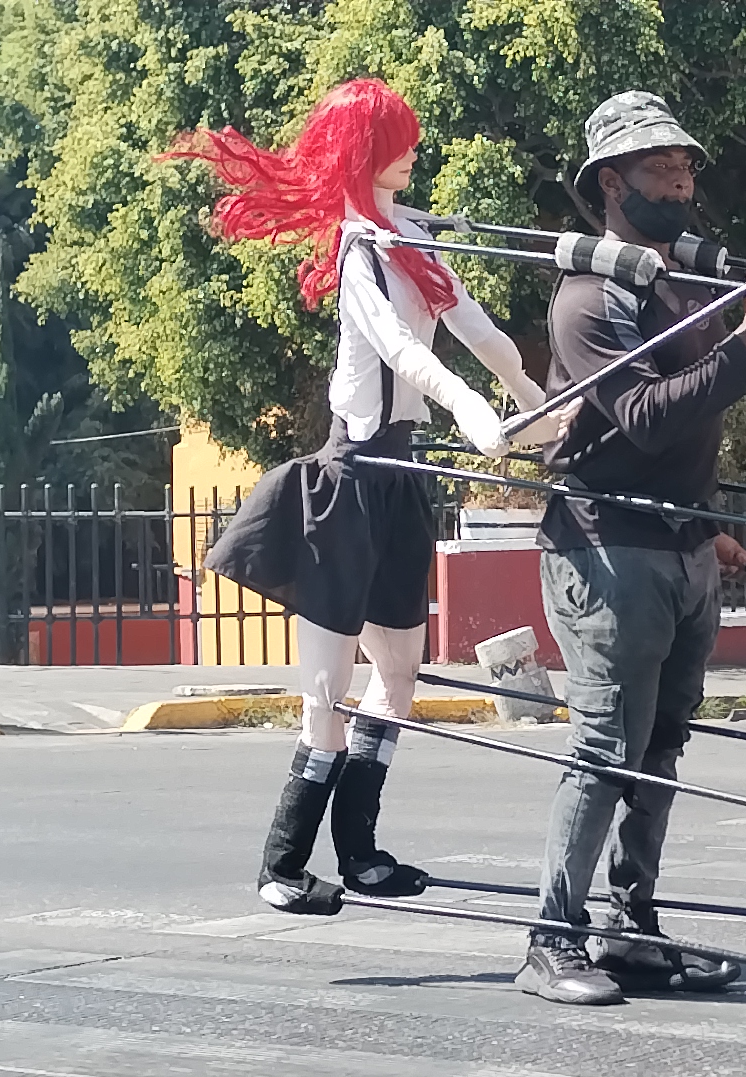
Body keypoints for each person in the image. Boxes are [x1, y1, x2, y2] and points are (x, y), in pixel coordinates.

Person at [174, 80, 563, 916]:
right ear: (364, 152)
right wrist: (470, 407)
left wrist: (531, 400)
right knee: (327, 692)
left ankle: (360, 852)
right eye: (397, 140)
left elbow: (476, 326)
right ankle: (282, 865)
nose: (413, 150)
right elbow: (397, 349)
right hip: (346, 486)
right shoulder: (359, 251)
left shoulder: (410, 236)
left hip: (400, 481)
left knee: (399, 675)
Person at [515, 91, 746, 1006]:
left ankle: (629, 926)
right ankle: (550, 940)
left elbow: (693, 430)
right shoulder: (587, 299)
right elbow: (644, 417)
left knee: (662, 746)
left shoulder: (680, 284)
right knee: (607, 747)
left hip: (680, 545)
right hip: (607, 551)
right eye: (660, 170)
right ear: (612, 183)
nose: (681, 184)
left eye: (685, 169)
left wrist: (708, 523)